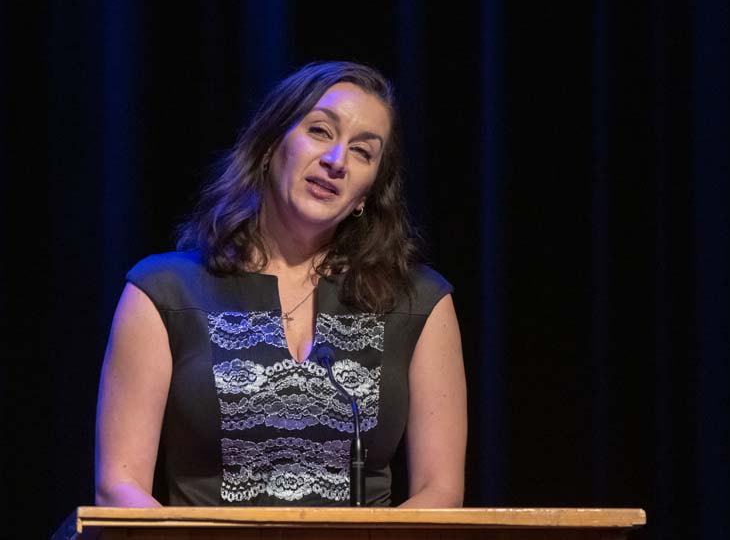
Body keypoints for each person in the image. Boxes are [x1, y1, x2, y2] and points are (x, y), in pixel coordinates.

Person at [94, 61, 466, 508]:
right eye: (320, 132)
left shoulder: (419, 302)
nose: (336, 161)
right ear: (270, 147)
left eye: (363, 152)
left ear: (366, 194)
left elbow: (440, 492)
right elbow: (120, 486)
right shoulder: (164, 292)